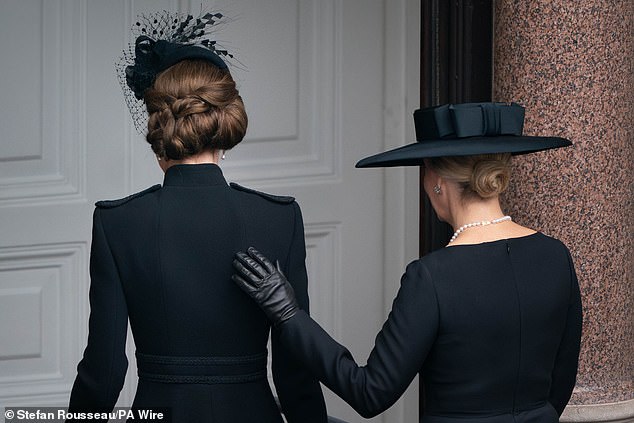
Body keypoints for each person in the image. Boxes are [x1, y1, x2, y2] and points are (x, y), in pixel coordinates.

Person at [232, 102, 583, 422]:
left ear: (437, 182)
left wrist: (289, 314)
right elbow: (560, 385)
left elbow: (370, 393)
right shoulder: (556, 256)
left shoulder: (431, 278)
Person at [67, 11, 327, 423]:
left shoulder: (118, 223)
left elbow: (104, 371)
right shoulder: (279, 218)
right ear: (222, 122)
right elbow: (295, 368)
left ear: (158, 128)